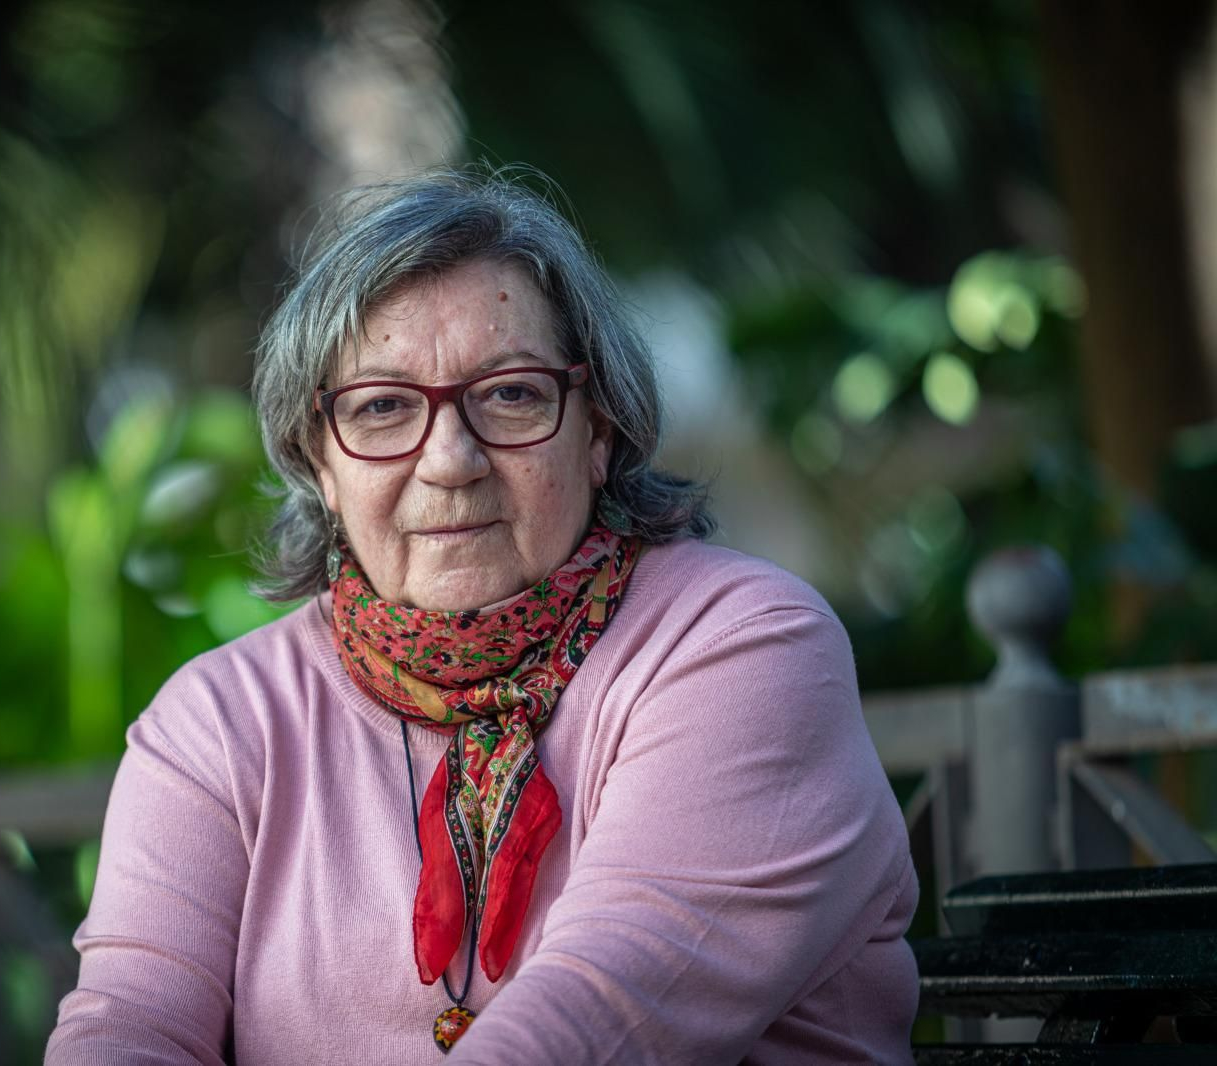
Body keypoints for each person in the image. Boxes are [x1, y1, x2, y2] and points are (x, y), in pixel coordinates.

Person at [46, 167, 919, 1065]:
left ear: (599, 431)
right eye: (382, 408)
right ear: (321, 465)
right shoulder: (218, 724)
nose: (450, 459)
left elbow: (597, 1022)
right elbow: (126, 1031)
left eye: (510, 394)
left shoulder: (744, 647)